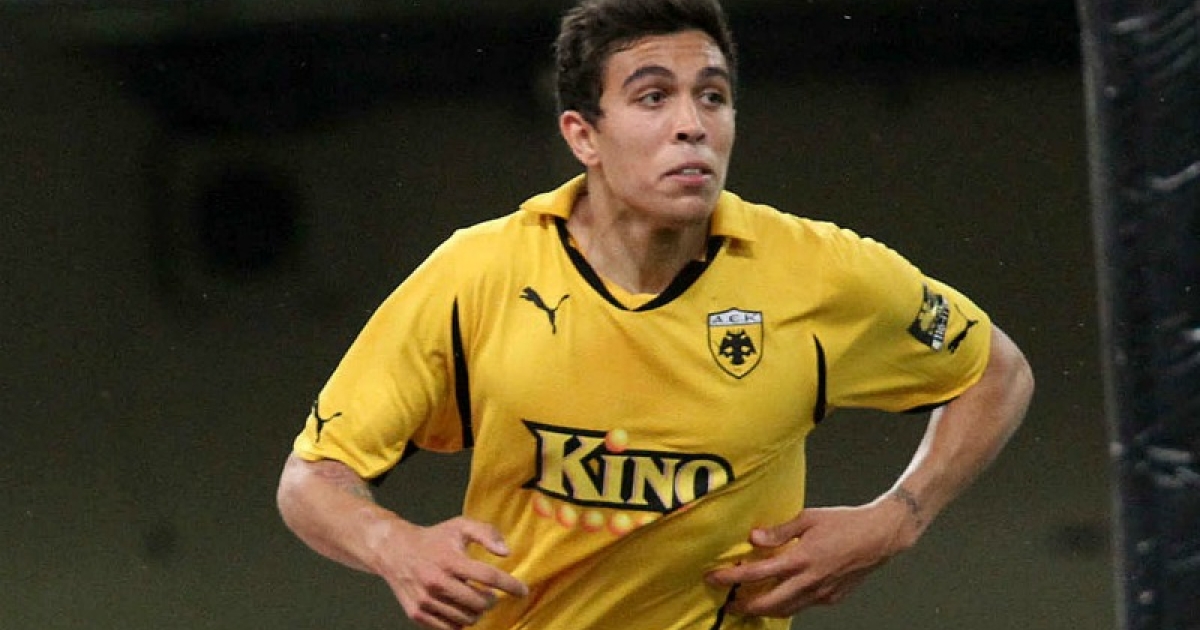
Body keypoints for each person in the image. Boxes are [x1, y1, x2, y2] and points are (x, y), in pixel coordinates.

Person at [275, 0, 1035, 628]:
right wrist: (396, 546)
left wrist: (898, 517)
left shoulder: (819, 273)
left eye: (712, 96)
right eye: (652, 97)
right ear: (583, 135)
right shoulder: (479, 273)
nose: (692, 124)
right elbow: (312, 478)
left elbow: (996, 373)